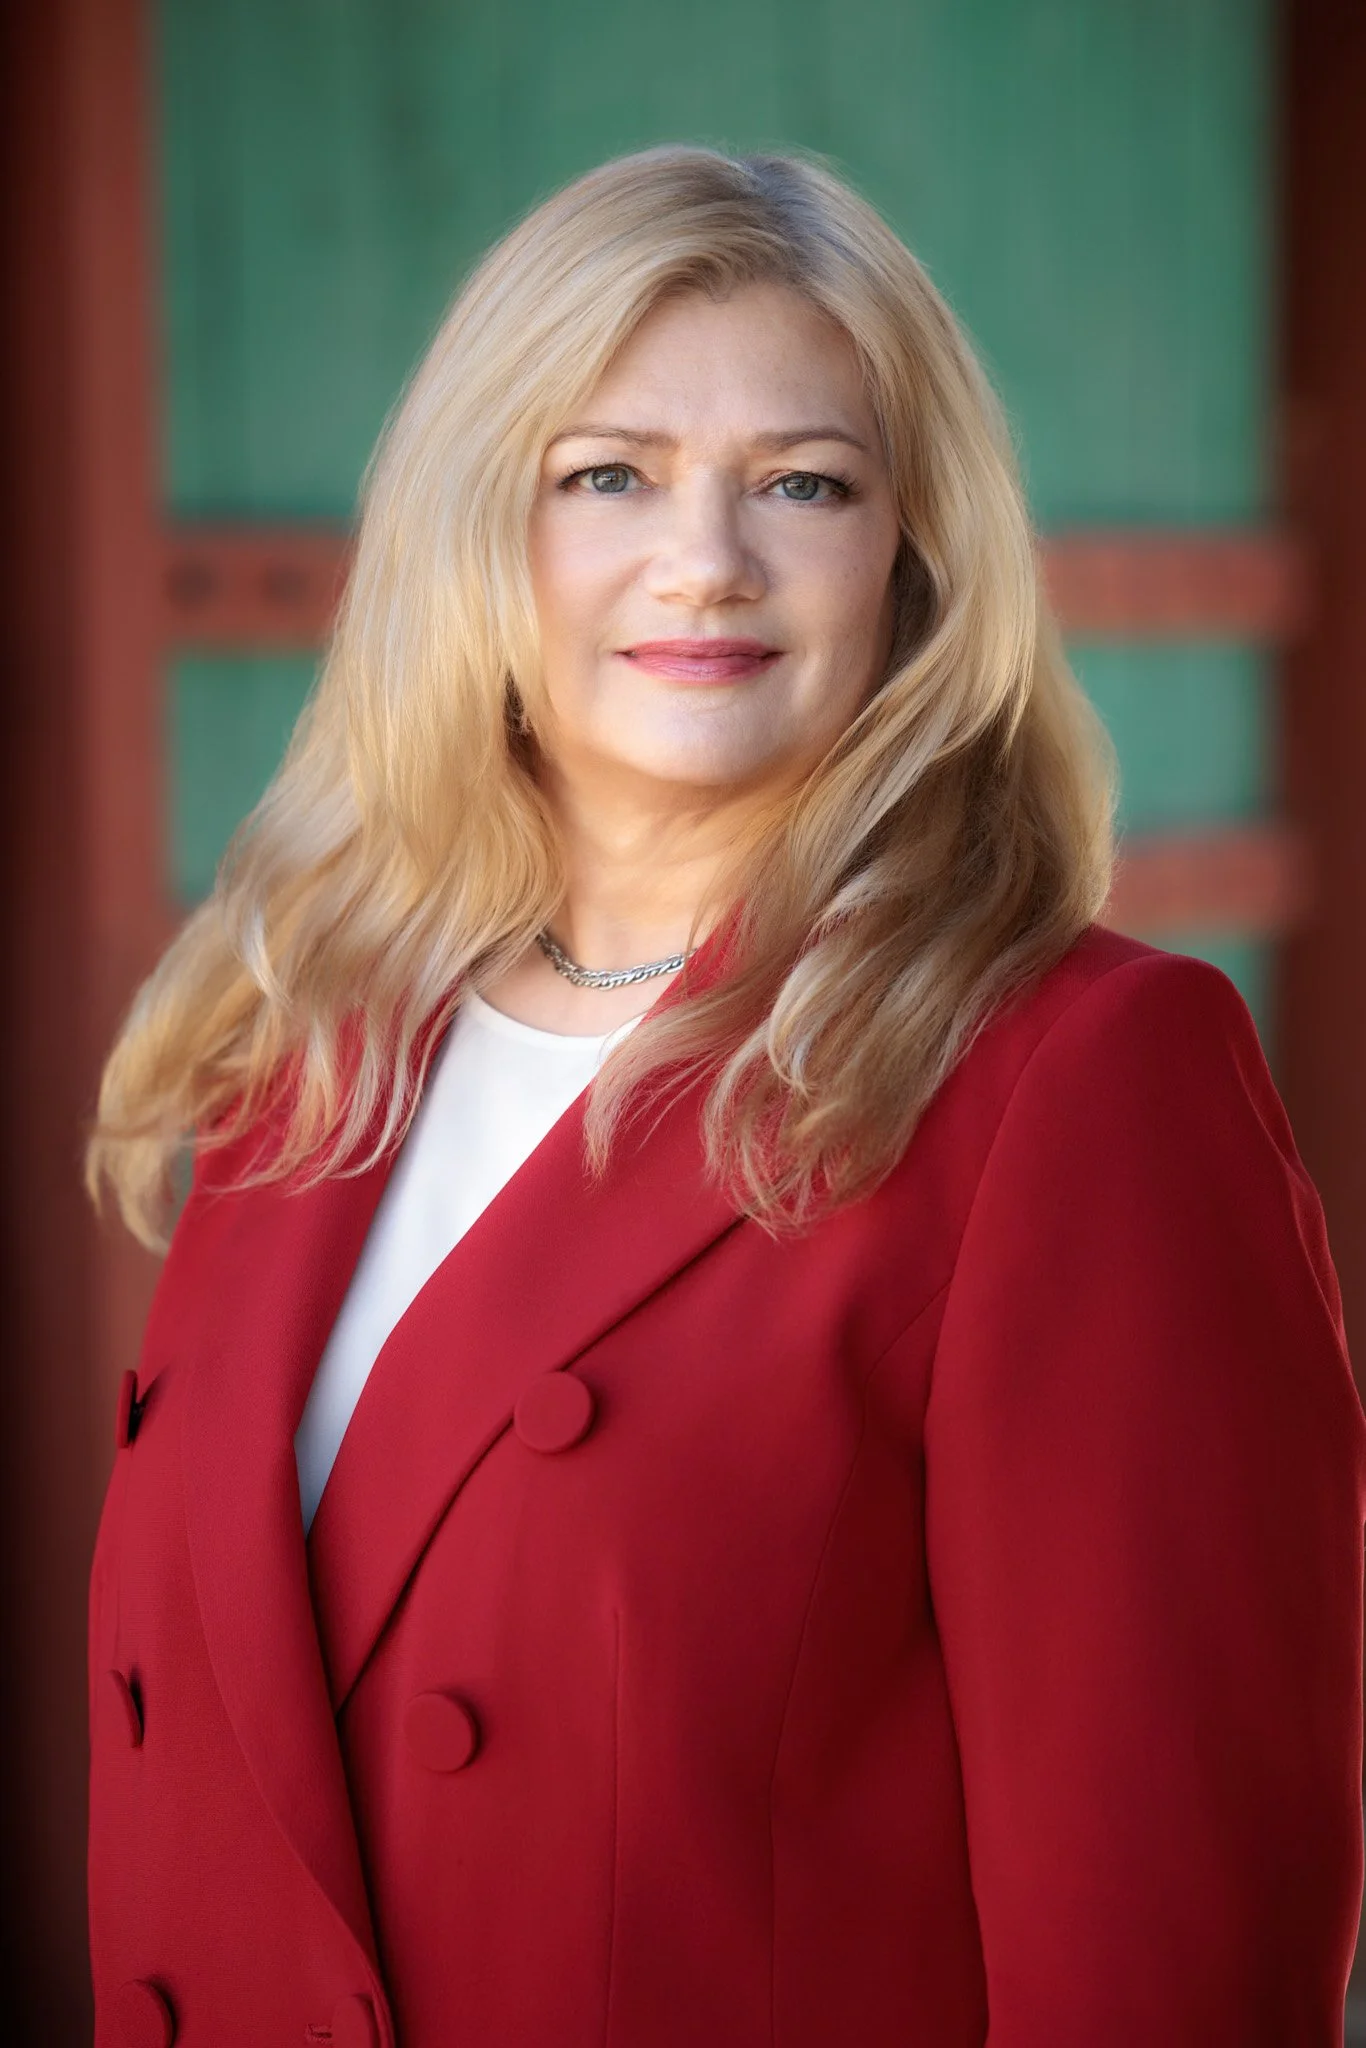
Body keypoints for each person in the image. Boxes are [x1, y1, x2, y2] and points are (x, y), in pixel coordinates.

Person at [85, 145, 1365, 2048]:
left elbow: (1166, 1957)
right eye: (607, 475)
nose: (706, 560)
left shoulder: (1075, 1079)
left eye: (803, 484)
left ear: (911, 555)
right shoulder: (313, 1039)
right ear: (478, 531)